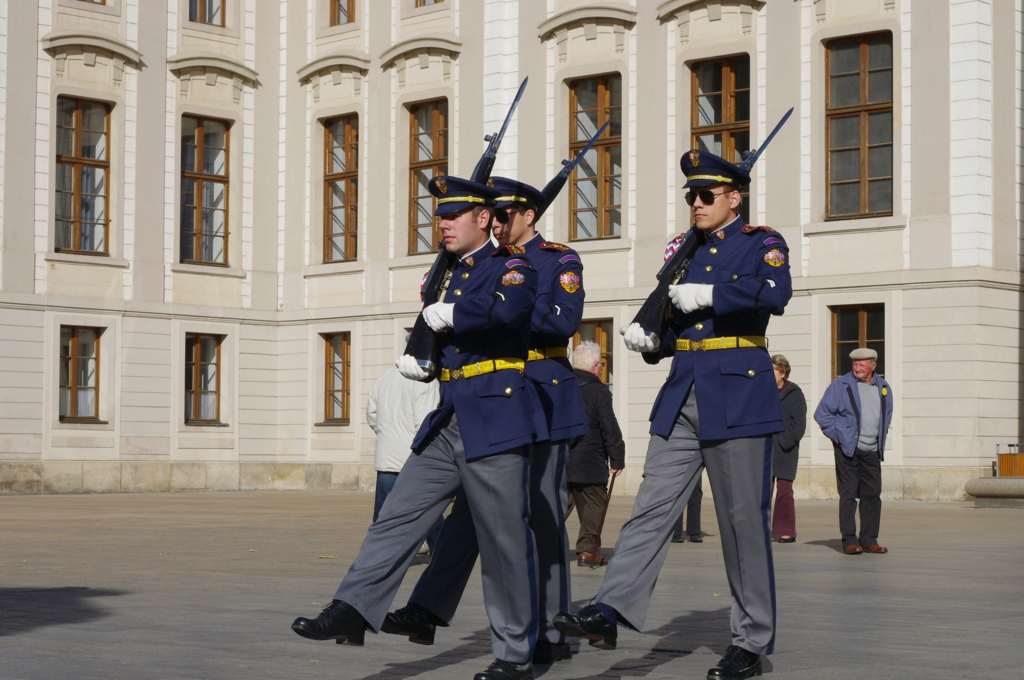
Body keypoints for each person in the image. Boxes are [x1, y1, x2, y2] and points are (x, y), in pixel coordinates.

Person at [552, 148, 792, 680]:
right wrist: (653, 339)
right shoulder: (685, 249)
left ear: (736, 197)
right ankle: (611, 610)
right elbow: (675, 319)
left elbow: (777, 294)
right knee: (650, 511)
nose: (697, 203)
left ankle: (749, 643)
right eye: (691, 196)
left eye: (707, 195)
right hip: (682, 394)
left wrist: (711, 294)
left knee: (741, 526)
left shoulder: (763, 243)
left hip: (738, 397)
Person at [291, 176, 543, 680]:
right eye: (440, 216)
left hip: (496, 413)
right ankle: (353, 607)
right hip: (449, 413)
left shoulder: (513, 266)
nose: (443, 224)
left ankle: (515, 652)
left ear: (483, 220)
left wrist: (454, 312)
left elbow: (509, 309)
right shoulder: (447, 274)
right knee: (396, 517)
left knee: (503, 542)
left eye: (454, 216)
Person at [381, 177, 589, 666]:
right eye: (491, 215)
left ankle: (550, 629)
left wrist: (496, 313)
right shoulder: (473, 267)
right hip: (487, 399)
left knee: (540, 515)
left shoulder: (557, 259)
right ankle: (428, 607)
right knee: (471, 514)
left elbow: (561, 322)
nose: (496, 222)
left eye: (506, 214)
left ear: (529, 216)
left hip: (541, 393)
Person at [813, 347, 893, 556]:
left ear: (873, 367)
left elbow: (886, 416)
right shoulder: (840, 385)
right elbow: (822, 415)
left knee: (872, 495)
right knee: (848, 495)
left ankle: (869, 540)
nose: (857, 368)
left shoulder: (883, 387)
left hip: (872, 450)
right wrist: (840, 436)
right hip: (848, 449)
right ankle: (849, 540)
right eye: (854, 364)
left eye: (862, 364)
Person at [366, 363, 443, 553]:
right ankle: (443, 556)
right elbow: (425, 424)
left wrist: (387, 435)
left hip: (387, 455)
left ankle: (379, 557)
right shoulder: (426, 380)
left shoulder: (385, 377)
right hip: (414, 457)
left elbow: (372, 415)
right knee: (427, 510)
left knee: (384, 513)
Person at [566, 340, 624, 567]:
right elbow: (609, 426)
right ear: (594, 367)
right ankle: (587, 553)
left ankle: (538, 546)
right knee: (593, 509)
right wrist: (617, 457)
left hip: (563, 460)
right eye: (601, 364)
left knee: (556, 508)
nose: (602, 368)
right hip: (590, 461)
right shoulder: (599, 390)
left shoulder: (562, 385)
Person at [769, 354, 805, 543]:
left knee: (784, 493)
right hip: (765, 449)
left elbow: (799, 426)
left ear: (782, 373)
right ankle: (760, 530)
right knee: (762, 492)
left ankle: (786, 531)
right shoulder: (763, 392)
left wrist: (784, 442)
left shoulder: (795, 393)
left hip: (785, 451)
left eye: (773, 370)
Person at [671, 476, 703, 543]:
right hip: (677, 467)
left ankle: (695, 532)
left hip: (695, 466)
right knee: (678, 495)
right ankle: (675, 532)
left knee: (695, 495)